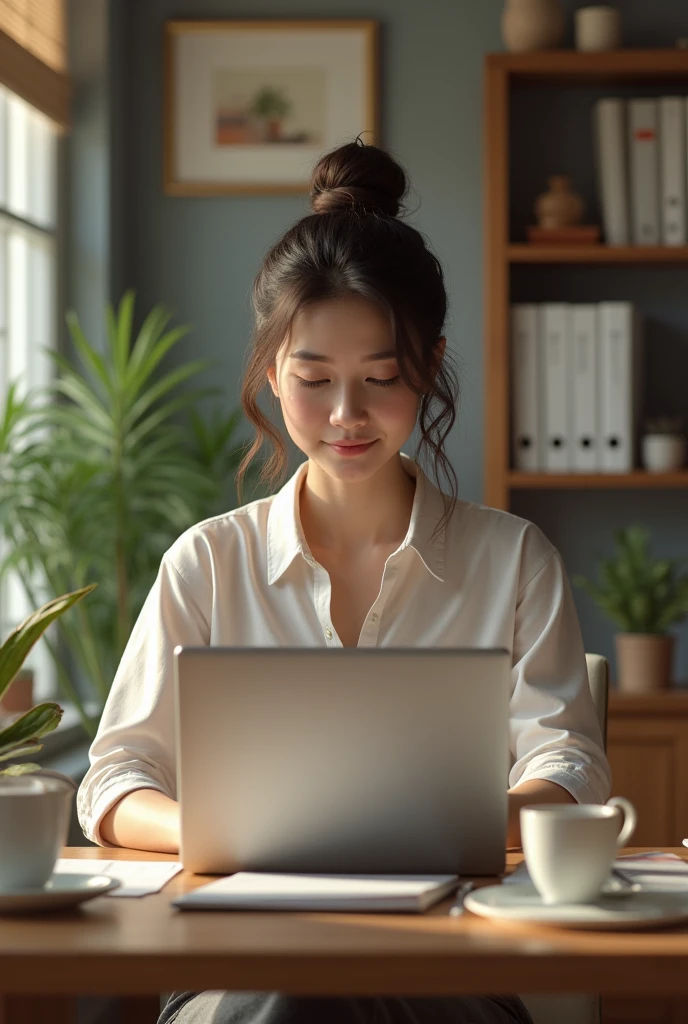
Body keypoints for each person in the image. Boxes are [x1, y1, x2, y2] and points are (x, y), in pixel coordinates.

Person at [77, 139, 611, 1024]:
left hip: (451, 957)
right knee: (286, 998)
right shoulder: (209, 563)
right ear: (270, 372)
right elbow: (117, 778)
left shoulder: (512, 559)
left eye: (381, 379)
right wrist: (230, 837)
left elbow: (569, 766)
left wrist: (443, 830)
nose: (345, 417)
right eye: (312, 379)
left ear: (430, 366)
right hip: (239, 956)